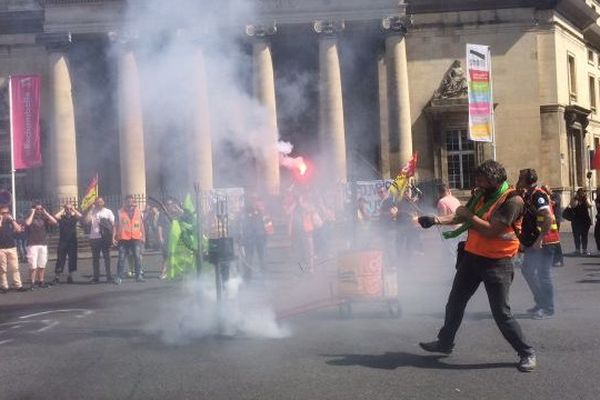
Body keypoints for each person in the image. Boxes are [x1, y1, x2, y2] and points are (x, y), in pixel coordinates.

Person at [416, 160, 536, 372]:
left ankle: (527, 352)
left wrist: (466, 214)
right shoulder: (481, 194)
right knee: (454, 303)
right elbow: (461, 215)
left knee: (501, 313)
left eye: (481, 179)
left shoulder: (512, 200)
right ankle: (445, 343)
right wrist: (435, 220)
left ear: (494, 179)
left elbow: (491, 230)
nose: (477, 182)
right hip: (472, 257)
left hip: (498, 262)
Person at [517, 169, 559, 320]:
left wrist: (540, 239)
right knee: (527, 271)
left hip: (545, 241)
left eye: (520, 178)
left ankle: (547, 308)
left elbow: (547, 216)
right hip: (534, 241)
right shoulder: (528, 194)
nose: (518, 180)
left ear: (527, 180)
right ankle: (541, 302)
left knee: (543, 275)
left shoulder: (538, 195)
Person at [25, 202, 57, 288]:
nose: (39, 210)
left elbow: (54, 221)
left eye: (40, 209)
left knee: (42, 264)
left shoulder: (44, 218)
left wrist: (46, 213)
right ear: (33, 209)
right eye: (37, 209)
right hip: (32, 244)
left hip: (43, 243)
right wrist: (32, 213)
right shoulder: (29, 217)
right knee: (33, 265)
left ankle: (41, 281)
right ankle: (32, 282)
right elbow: (27, 223)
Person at [115, 194, 145, 284]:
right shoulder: (120, 212)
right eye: (128, 201)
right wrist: (114, 236)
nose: (130, 203)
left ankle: (138, 275)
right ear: (125, 202)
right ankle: (119, 277)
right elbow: (115, 225)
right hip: (123, 238)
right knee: (121, 258)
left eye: (131, 201)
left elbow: (141, 224)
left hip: (135, 237)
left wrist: (143, 236)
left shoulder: (138, 211)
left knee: (137, 257)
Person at [241, 196, 272, 280]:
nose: (258, 205)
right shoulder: (248, 213)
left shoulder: (265, 213)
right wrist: (244, 237)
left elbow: (269, 228)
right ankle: (247, 278)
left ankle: (264, 277)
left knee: (262, 258)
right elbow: (244, 225)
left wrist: (266, 235)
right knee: (249, 259)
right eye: (256, 203)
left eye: (260, 204)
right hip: (250, 239)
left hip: (261, 238)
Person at [85, 197, 115, 283]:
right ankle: (96, 277)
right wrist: (90, 209)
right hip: (94, 237)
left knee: (107, 257)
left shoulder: (108, 211)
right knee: (95, 259)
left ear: (103, 202)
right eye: (97, 202)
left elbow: (113, 224)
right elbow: (86, 221)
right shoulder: (93, 211)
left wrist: (113, 237)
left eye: (100, 202)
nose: (99, 203)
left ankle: (109, 276)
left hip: (105, 237)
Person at [0, 205, 28, 293]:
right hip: (1, 249)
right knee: (2, 269)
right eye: (3, 213)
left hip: (12, 247)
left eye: (7, 213)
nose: (6, 215)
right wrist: (1, 219)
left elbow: (19, 230)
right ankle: (4, 286)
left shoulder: (11, 222)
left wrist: (12, 220)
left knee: (15, 268)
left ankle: (18, 285)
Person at [53, 201, 82, 284]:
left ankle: (70, 276)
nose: (68, 210)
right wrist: (63, 209)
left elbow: (80, 216)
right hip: (63, 241)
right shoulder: (62, 218)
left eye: (70, 209)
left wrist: (73, 209)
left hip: (72, 241)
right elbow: (55, 216)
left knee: (72, 259)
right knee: (60, 259)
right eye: (67, 209)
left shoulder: (74, 218)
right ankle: (57, 276)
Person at [157, 198, 182, 279]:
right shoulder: (162, 214)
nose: (169, 206)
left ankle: (176, 271)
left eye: (171, 204)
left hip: (176, 237)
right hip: (166, 236)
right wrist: (160, 237)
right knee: (166, 255)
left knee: (177, 254)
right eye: (168, 204)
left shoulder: (176, 213)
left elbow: (184, 214)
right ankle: (163, 272)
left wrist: (177, 208)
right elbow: (159, 226)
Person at [542, 185, 564, 267]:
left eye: (545, 189)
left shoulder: (555, 195)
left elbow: (553, 203)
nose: (543, 191)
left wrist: (546, 197)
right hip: (547, 222)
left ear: (549, 189)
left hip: (555, 221)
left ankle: (559, 260)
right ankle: (550, 259)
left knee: (555, 241)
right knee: (549, 241)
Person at [569, 188, 592, 256]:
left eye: (582, 193)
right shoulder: (574, 199)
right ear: (577, 193)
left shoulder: (585, 199)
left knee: (584, 235)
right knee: (576, 235)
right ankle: (577, 250)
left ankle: (584, 250)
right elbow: (573, 205)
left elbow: (590, 205)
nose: (581, 194)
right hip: (576, 220)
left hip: (585, 220)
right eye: (580, 193)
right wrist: (576, 199)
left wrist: (585, 199)